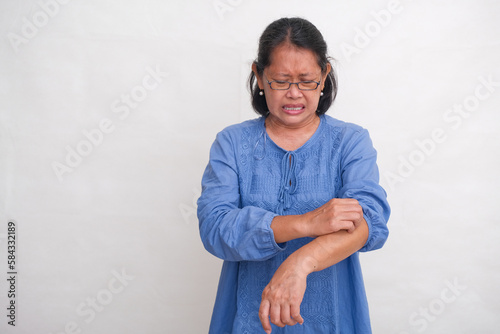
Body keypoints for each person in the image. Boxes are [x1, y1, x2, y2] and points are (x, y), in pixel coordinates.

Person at [197, 17, 390, 334]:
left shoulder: (350, 142)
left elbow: (369, 223)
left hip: (331, 318)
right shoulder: (232, 143)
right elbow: (215, 227)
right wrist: (307, 223)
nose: (294, 93)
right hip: (249, 317)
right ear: (259, 77)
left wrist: (299, 263)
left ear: (325, 75)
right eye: (281, 80)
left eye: (306, 80)